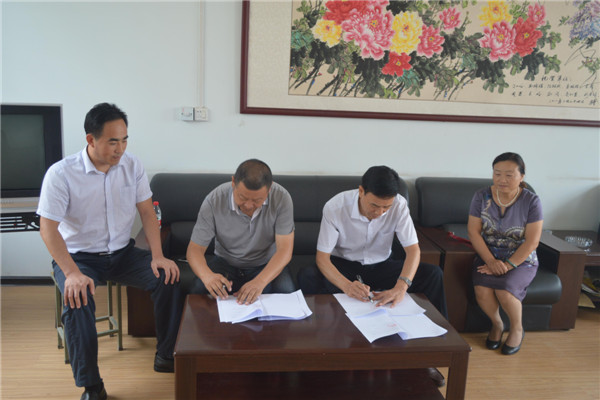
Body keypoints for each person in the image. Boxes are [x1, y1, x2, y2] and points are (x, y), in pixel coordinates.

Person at [38, 103, 183, 400]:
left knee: (169, 278)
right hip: (79, 259)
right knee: (77, 299)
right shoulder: (61, 174)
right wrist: (71, 273)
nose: (121, 149)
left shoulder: (132, 165)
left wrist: (158, 256)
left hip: (122, 254)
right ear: (91, 139)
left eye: (125, 140)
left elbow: (147, 212)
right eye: (113, 142)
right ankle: (92, 386)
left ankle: (165, 355)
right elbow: (48, 229)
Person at [298, 165, 447, 387]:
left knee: (433, 274)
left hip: (381, 266)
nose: (380, 213)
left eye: (386, 207)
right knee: (308, 275)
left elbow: (413, 250)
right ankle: (321, 355)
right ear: (361, 191)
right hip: (344, 266)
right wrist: (347, 285)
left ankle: (430, 356)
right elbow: (322, 258)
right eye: (374, 205)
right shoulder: (336, 207)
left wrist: (401, 287)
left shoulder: (399, 205)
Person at [187, 159, 295, 304]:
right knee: (198, 288)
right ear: (233, 182)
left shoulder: (282, 198)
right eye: (242, 197)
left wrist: (260, 282)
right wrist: (208, 276)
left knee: (287, 292)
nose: (249, 205)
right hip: (226, 262)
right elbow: (195, 249)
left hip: (266, 262)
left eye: (257, 200)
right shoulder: (214, 200)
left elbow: (284, 250)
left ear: (269, 190)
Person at [467, 152, 543, 356]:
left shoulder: (531, 201)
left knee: (505, 290)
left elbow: (532, 241)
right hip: (488, 254)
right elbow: (473, 232)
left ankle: (517, 329)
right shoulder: (481, 196)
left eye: (509, 175)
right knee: (482, 289)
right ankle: (497, 324)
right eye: (497, 173)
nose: (502, 179)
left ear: (522, 176)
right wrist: (491, 261)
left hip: (521, 258)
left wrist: (508, 265)